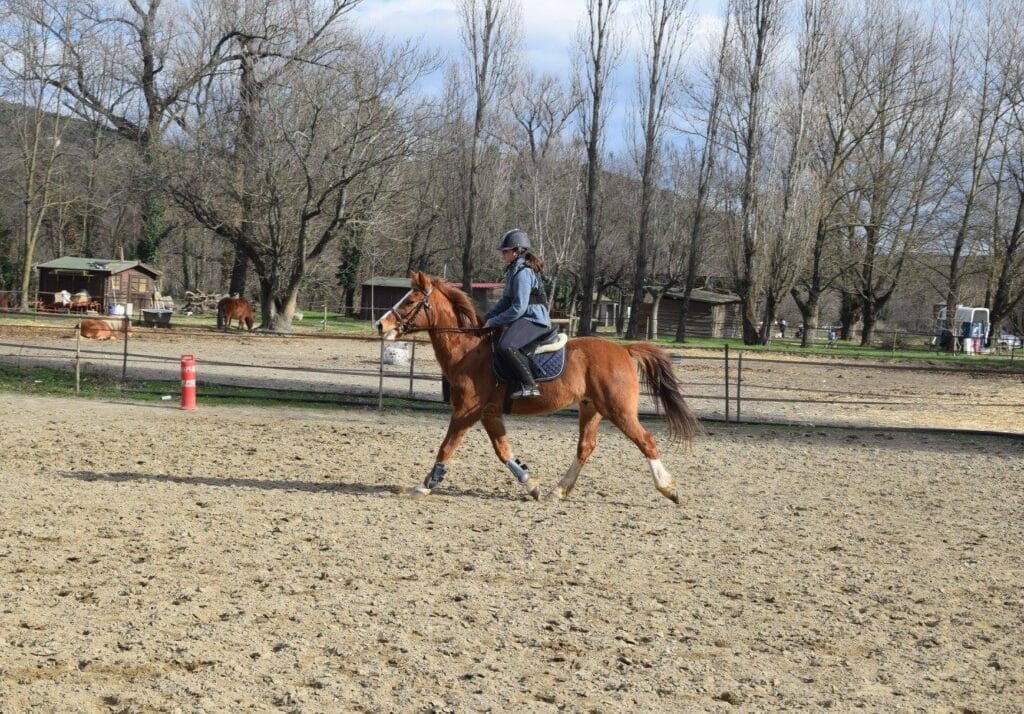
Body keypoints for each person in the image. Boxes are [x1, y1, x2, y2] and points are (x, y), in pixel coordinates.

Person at [484, 228, 551, 399]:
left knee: (507, 346)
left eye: (505, 251)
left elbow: (519, 307)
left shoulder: (523, 273)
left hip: (534, 320)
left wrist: (494, 322)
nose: (502, 255)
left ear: (517, 251)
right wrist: (486, 317)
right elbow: (505, 301)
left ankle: (530, 385)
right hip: (525, 318)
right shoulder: (514, 271)